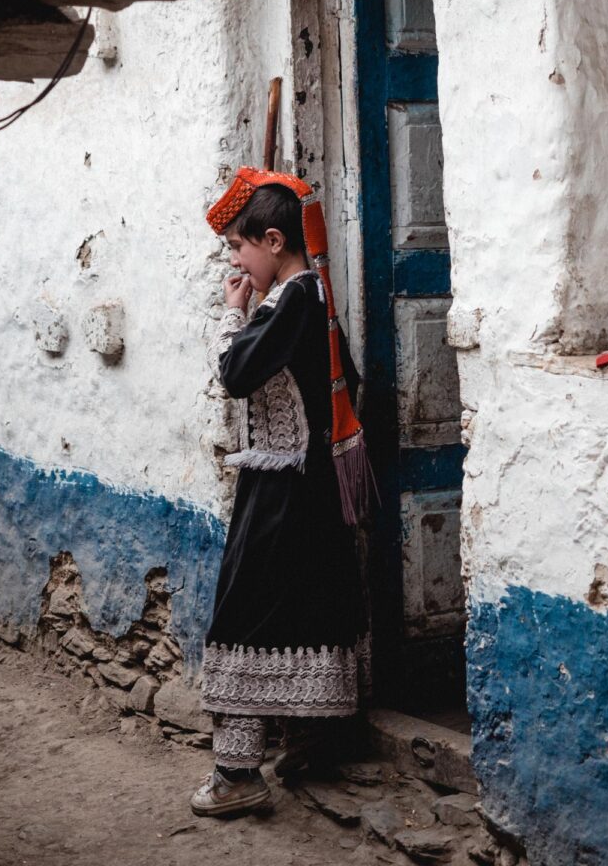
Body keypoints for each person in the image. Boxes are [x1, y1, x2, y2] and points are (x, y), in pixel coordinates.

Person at [191, 167, 376, 818]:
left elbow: (237, 372)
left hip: (281, 490)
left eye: (239, 247)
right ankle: (307, 743)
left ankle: (238, 775)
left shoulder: (294, 299)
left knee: (243, 615)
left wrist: (233, 311)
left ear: (273, 241)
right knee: (306, 608)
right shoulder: (310, 296)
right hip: (304, 484)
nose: (235, 261)